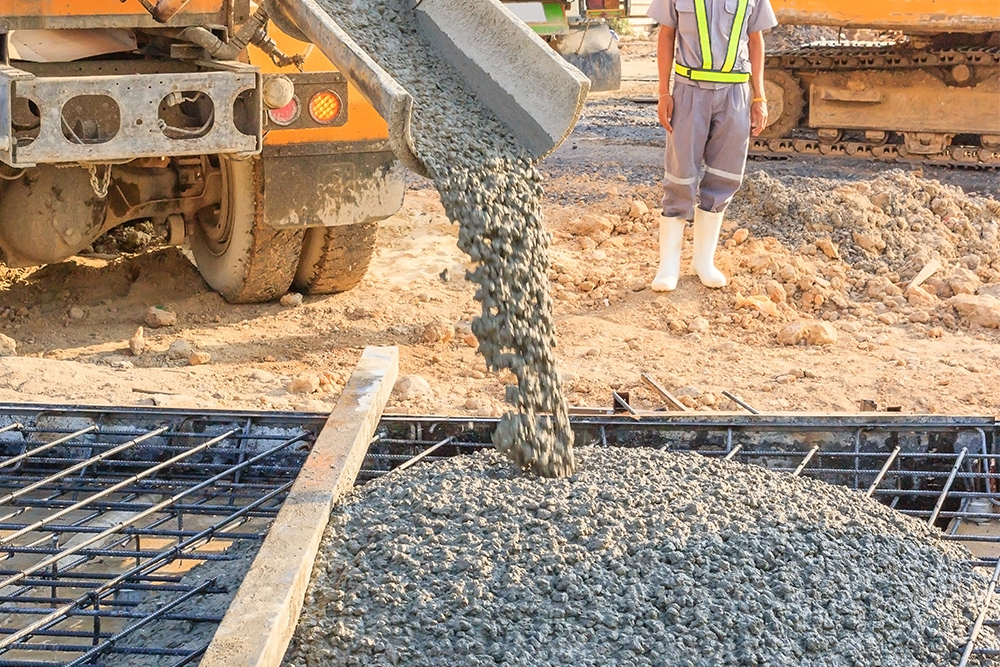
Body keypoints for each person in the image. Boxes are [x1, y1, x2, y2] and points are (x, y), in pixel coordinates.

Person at [646, 0, 777, 291]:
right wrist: (663, 93)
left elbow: (755, 41)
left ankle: (703, 262)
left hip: (735, 95)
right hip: (689, 93)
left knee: (724, 177)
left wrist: (760, 96)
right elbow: (666, 35)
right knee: (680, 176)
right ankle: (668, 266)